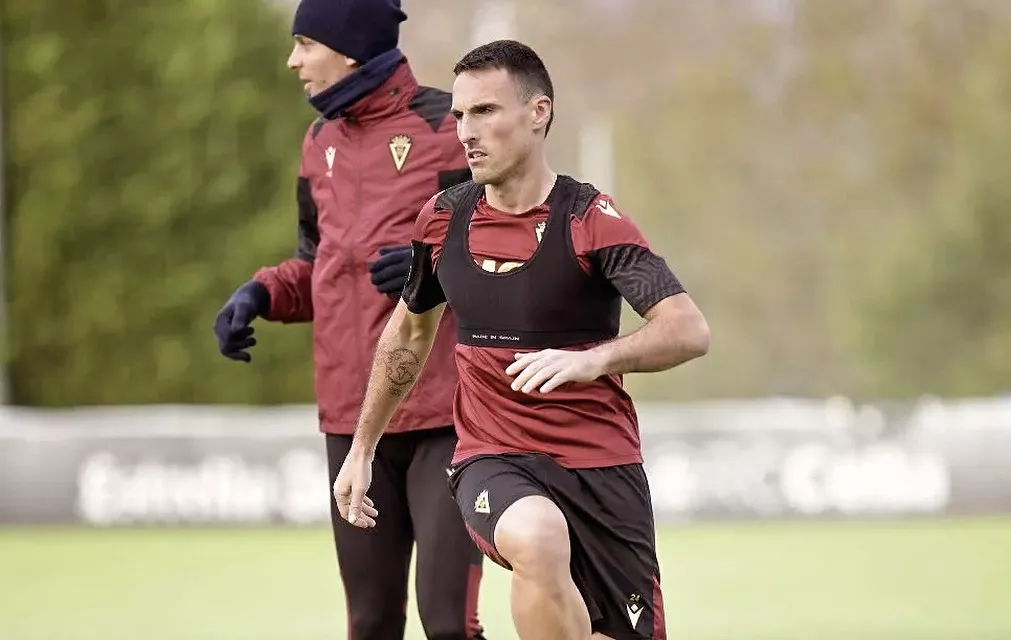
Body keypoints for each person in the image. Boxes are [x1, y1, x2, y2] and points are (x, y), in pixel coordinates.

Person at [334, 39, 711, 640]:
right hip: (493, 459)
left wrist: (596, 360)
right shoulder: (442, 220)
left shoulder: (590, 220)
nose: (465, 133)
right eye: (458, 116)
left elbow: (688, 329)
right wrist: (362, 449)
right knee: (536, 536)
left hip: (603, 471)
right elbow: (407, 335)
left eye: (484, 112)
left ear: (538, 113)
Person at [212, 1, 487, 639]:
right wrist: (258, 294)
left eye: (305, 42)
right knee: (369, 623)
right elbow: (318, 265)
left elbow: (511, 248)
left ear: (352, 46)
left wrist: (437, 268)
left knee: (449, 624)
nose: (293, 60)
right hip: (350, 420)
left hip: (446, 417)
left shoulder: (451, 126)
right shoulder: (317, 145)